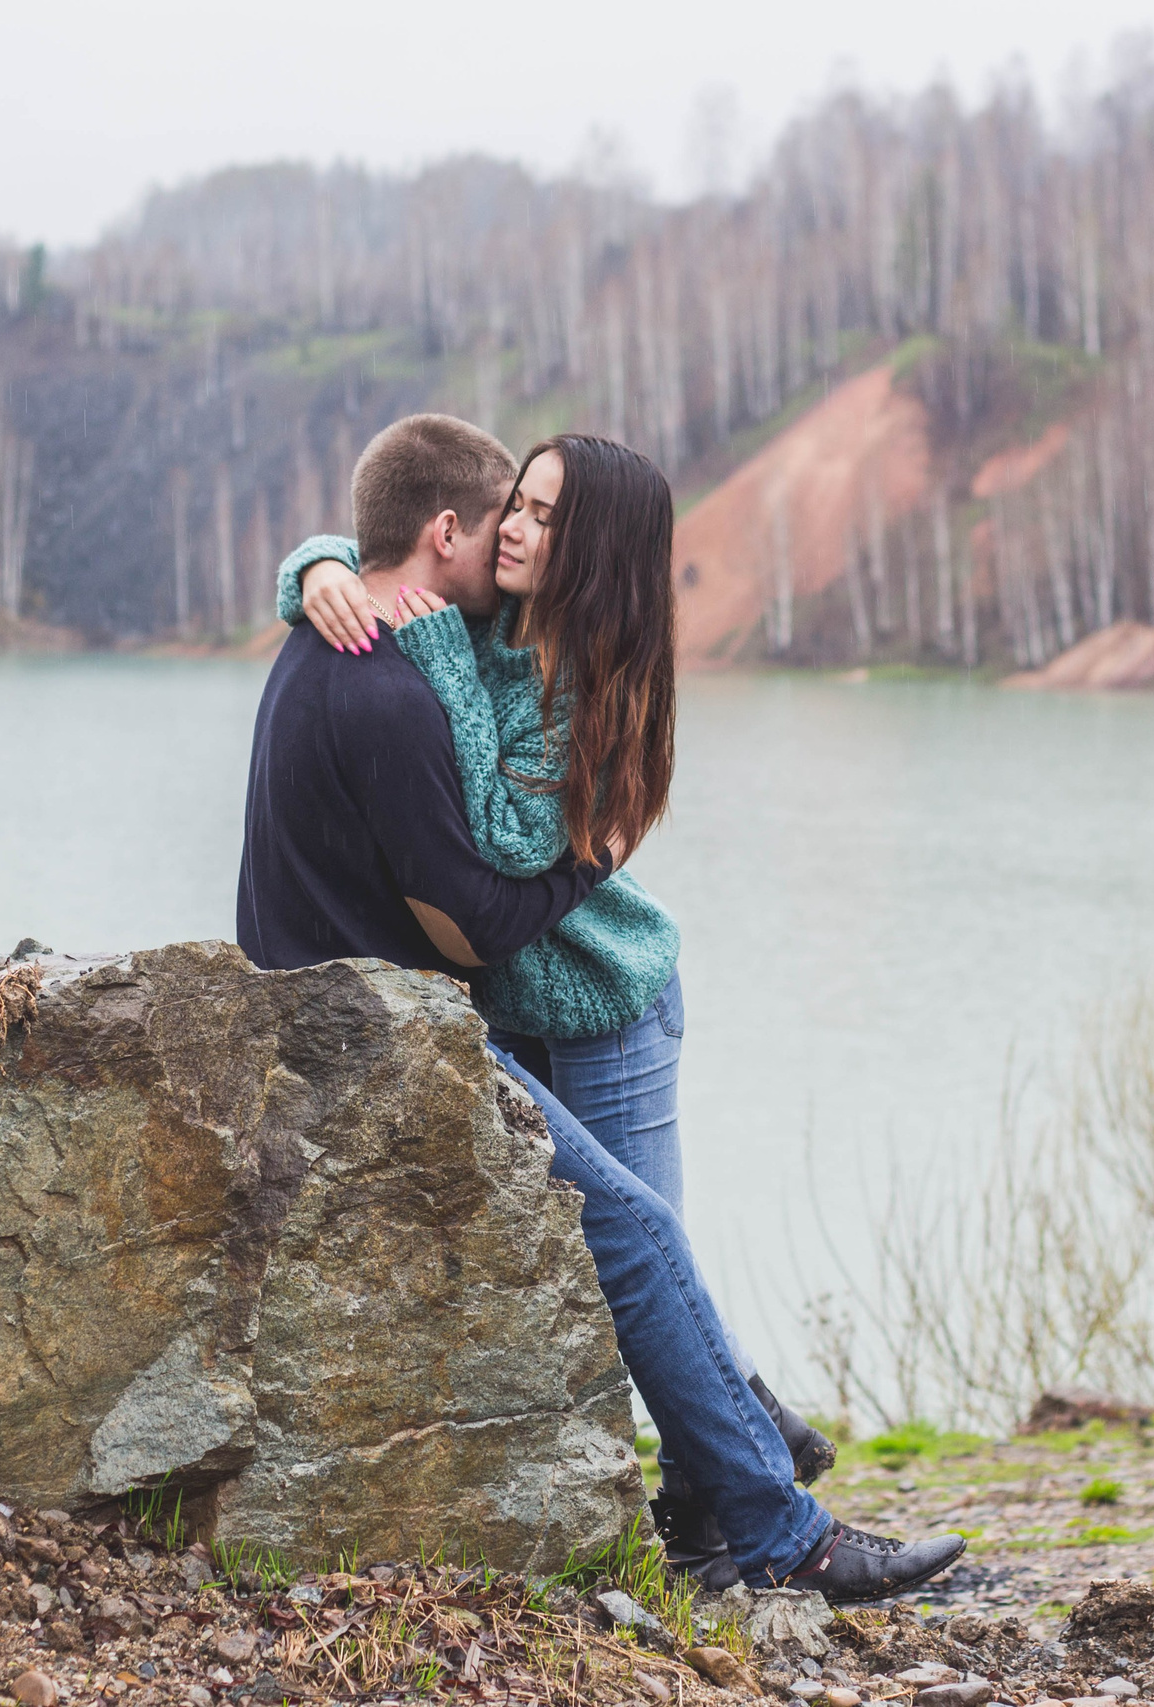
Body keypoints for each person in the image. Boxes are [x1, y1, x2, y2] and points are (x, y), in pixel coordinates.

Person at [237, 412, 962, 1601]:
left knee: (636, 1244)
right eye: (514, 505)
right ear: (455, 533)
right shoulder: (430, 636)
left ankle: (737, 1509)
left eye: (545, 517)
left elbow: (504, 876)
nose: (518, 529)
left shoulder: (583, 680)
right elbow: (471, 902)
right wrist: (321, 566)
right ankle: (762, 1482)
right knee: (635, 1244)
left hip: (605, 995)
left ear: (592, 553)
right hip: (452, 1006)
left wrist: (595, 853)